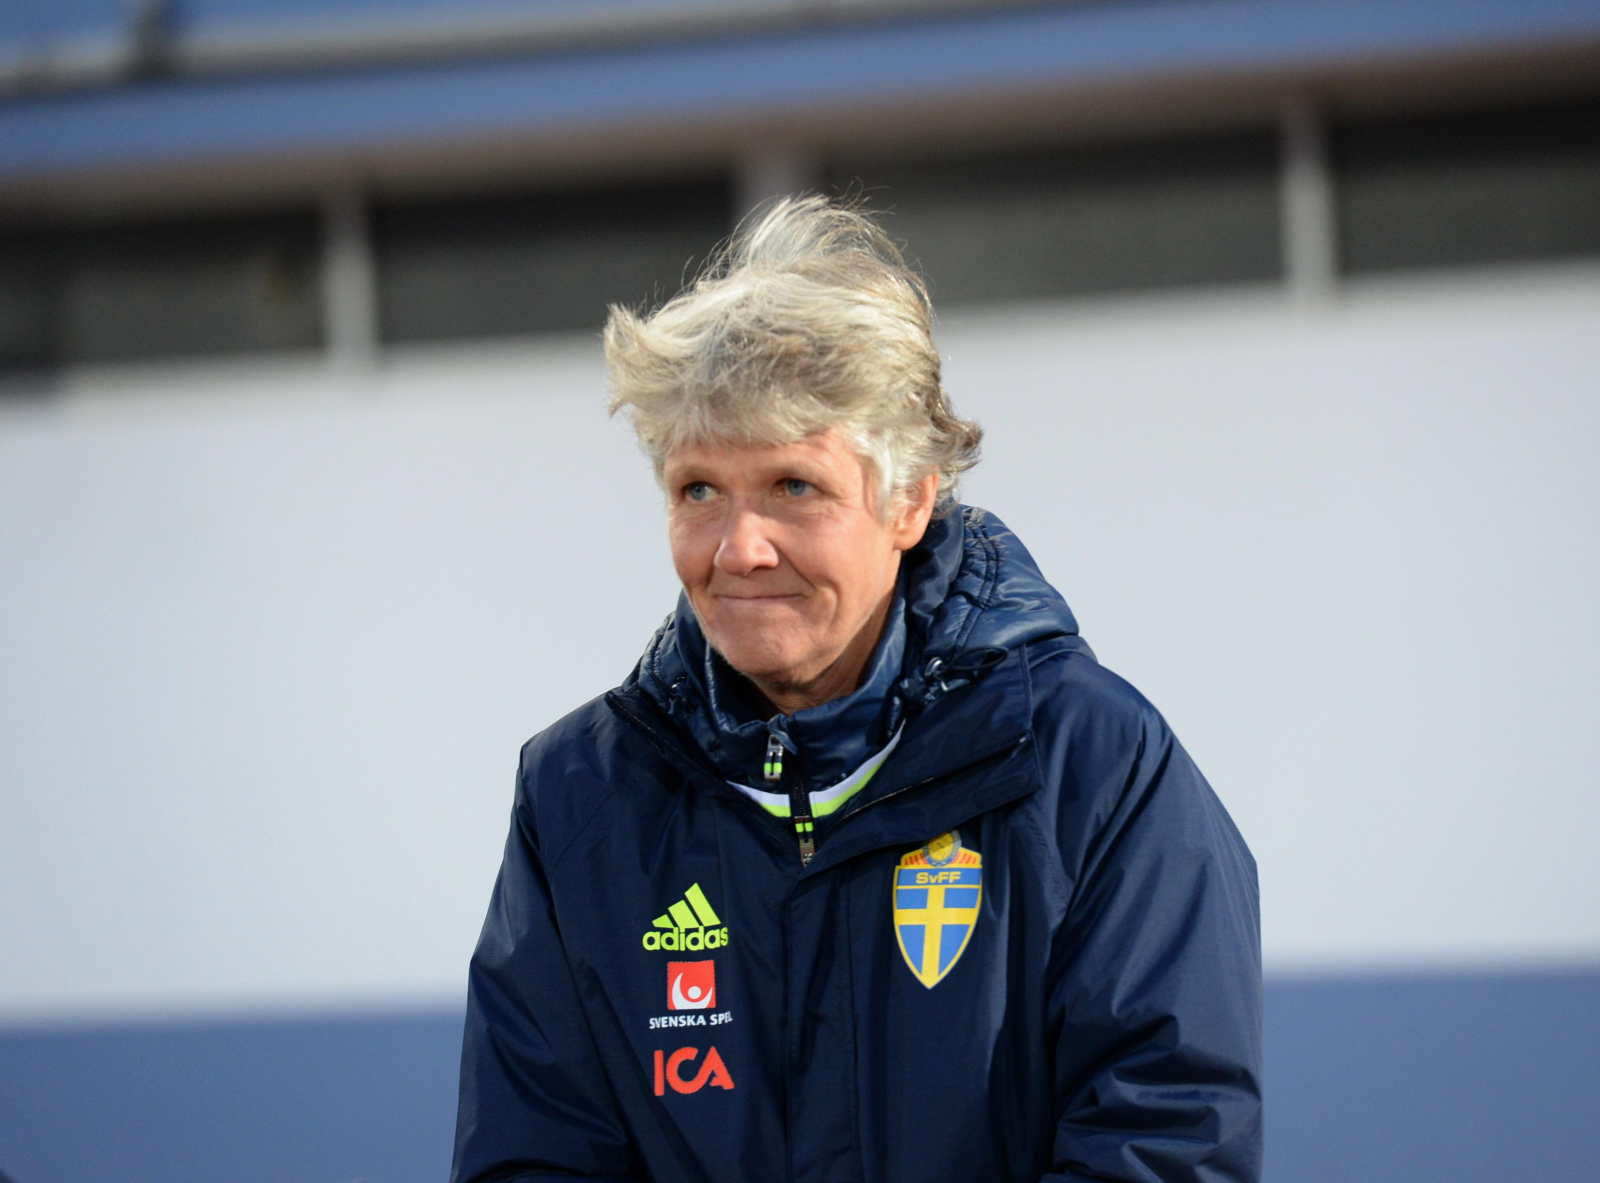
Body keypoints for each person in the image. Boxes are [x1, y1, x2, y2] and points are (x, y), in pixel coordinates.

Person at [450, 197, 1262, 1183]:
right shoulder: (577, 798)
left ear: (910, 497)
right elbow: (534, 1156)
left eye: (795, 486)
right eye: (698, 489)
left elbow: (1164, 1142)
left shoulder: (1090, 768)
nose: (740, 549)